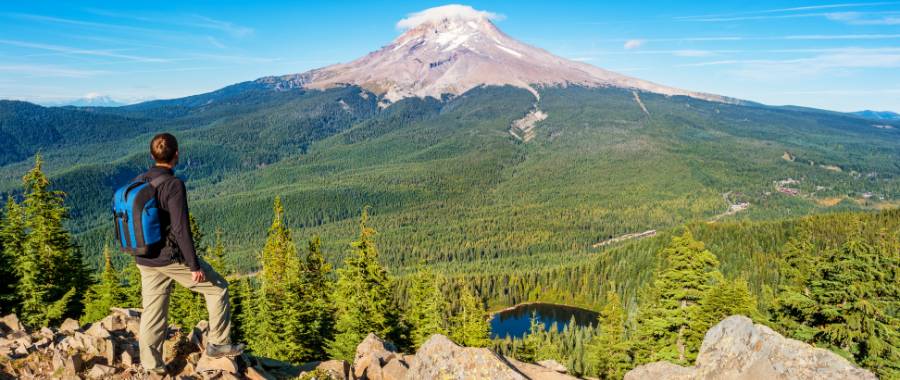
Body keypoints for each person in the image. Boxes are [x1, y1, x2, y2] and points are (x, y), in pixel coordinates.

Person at [135, 133, 243, 375]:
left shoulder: (140, 180)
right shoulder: (173, 185)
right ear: (176, 155)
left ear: (152, 156)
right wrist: (194, 265)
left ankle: (152, 368)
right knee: (218, 288)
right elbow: (181, 229)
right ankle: (218, 345)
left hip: (144, 257)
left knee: (152, 311)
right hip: (169, 258)